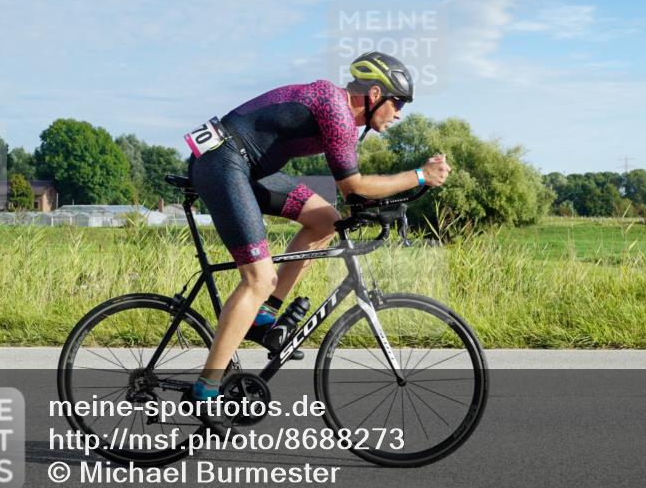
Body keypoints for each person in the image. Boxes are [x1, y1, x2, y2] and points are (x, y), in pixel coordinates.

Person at [183, 51, 451, 423]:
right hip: (222, 162)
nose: (400, 114)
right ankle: (206, 389)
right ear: (375, 94)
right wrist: (419, 176)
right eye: (399, 103)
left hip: (246, 166)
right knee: (258, 278)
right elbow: (355, 185)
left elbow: (352, 197)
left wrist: (378, 206)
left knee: (326, 221)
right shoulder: (336, 111)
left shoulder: (340, 114)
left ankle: (264, 317)